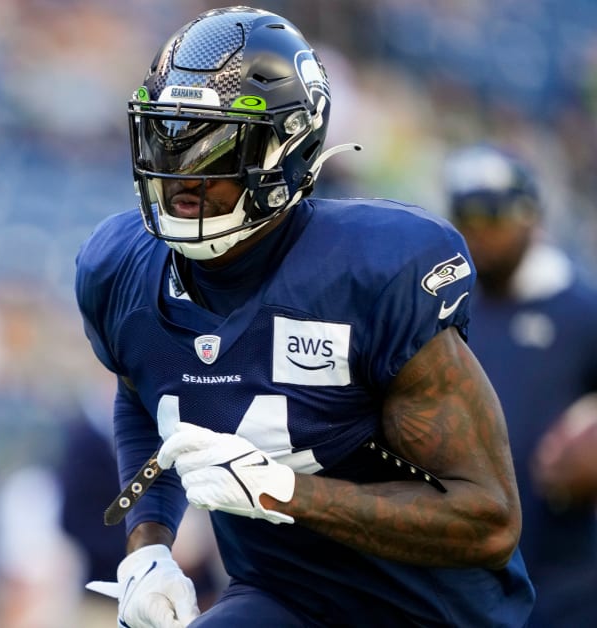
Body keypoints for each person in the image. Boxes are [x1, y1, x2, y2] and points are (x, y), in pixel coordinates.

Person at [74, 7, 534, 627]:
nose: (182, 174)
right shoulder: (120, 268)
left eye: (216, 148)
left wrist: (281, 491)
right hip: (282, 597)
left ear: (287, 150)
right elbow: (145, 394)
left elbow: (488, 518)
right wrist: (149, 549)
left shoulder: (371, 273)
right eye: (168, 137)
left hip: (429, 612)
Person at [444, 144, 597, 627]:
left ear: (530, 216)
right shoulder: (443, 305)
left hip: (563, 572)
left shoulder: (580, 310)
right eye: (467, 216)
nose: (481, 232)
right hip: (460, 565)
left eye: (495, 215)